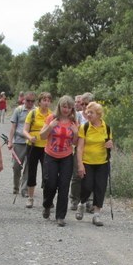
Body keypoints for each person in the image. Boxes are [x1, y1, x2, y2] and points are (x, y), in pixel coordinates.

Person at [40, 95, 79, 226]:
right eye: (64, 106)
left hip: (66, 157)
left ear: (72, 108)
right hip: (50, 155)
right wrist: (50, 127)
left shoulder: (74, 121)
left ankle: (60, 216)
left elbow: (75, 143)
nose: (66, 109)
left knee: (64, 186)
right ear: (59, 106)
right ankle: (47, 204)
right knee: (50, 183)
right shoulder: (51, 118)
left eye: (69, 107)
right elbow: (42, 136)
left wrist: (76, 133)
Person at [75, 101, 112, 226]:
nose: (88, 114)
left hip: (102, 162)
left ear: (98, 114)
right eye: (87, 112)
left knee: (100, 188)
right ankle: (82, 203)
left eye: (91, 112)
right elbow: (79, 148)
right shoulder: (84, 127)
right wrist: (80, 164)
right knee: (87, 186)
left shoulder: (106, 127)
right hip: (87, 162)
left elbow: (109, 143)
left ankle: (96, 214)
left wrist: (110, 145)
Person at [22, 92, 53, 208]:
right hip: (33, 146)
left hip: (47, 148)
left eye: (48, 100)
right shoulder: (33, 113)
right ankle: (30, 198)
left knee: (48, 174)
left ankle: (48, 198)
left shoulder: (52, 115)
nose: (46, 102)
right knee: (32, 172)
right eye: (44, 100)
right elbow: (24, 130)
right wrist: (30, 137)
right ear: (39, 102)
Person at [70, 92, 94, 211]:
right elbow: (74, 132)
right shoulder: (78, 115)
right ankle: (74, 199)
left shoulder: (96, 116)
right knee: (77, 175)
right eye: (82, 104)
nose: (84, 106)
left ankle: (89, 201)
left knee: (90, 176)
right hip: (79, 148)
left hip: (92, 150)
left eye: (86, 104)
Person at [8, 92, 35, 195]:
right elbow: (13, 127)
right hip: (19, 142)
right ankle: (16, 186)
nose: (30, 103)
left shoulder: (36, 111)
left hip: (31, 143)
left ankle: (25, 189)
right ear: (24, 100)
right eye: (28, 100)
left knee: (29, 166)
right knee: (16, 166)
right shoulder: (18, 110)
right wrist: (10, 141)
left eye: (32, 101)